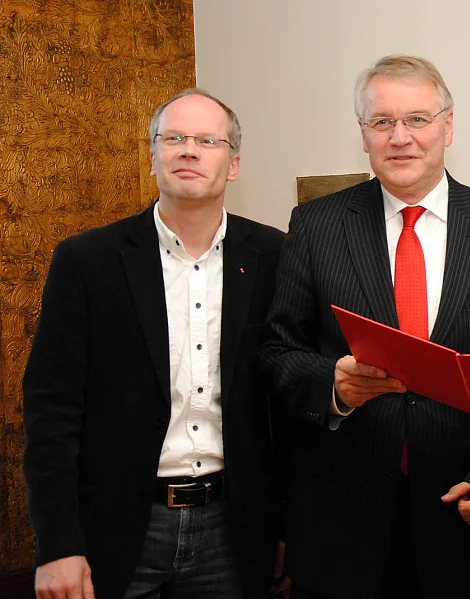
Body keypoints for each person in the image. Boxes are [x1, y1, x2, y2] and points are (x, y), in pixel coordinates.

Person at [258, 54, 470, 599]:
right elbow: (278, 352)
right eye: (382, 122)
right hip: (338, 520)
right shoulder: (315, 225)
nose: (400, 137)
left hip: (460, 511)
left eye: (417, 119)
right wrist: (334, 386)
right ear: (363, 134)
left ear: (448, 126)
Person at [23, 88, 286, 599]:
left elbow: (283, 410)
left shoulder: (275, 255)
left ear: (233, 164)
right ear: (152, 156)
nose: (189, 150)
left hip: (233, 532)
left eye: (207, 140)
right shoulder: (86, 261)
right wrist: (57, 544)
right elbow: (50, 411)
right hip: (117, 529)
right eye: (175, 138)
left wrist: (286, 529)